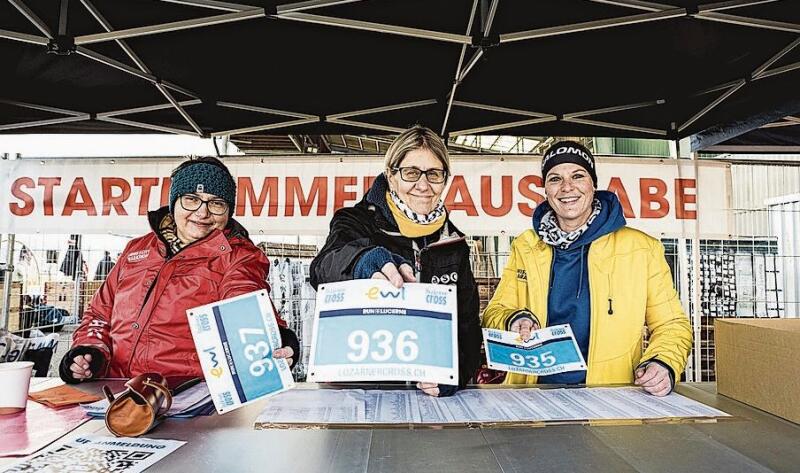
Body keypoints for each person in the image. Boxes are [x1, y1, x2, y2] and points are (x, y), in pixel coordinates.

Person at [59, 156, 299, 383]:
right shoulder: (137, 249)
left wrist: (275, 335)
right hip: (117, 391)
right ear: (174, 201)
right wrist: (90, 352)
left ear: (228, 211)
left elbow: (245, 301)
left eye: (216, 204)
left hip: (185, 398)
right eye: (191, 199)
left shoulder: (238, 256)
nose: (202, 212)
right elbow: (99, 315)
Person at [482, 141, 692, 397]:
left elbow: (672, 324)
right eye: (555, 178)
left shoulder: (642, 249)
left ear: (593, 184)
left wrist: (663, 362)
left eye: (578, 176)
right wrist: (515, 319)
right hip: (532, 394)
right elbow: (496, 311)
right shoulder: (526, 247)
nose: (566, 187)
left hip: (610, 396)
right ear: (545, 189)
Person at [310, 125, 482, 397]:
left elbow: (468, 328)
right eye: (411, 173)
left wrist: (456, 374)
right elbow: (323, 268)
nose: (423, 185)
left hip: (427, 400)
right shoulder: (354, 221)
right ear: (391, 176)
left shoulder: (454, 243)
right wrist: (363, 260)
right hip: (357, 395)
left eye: (434, 174)